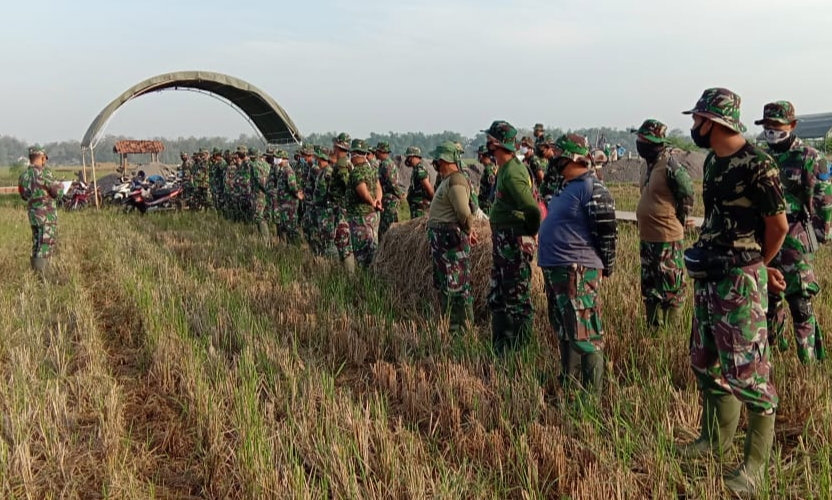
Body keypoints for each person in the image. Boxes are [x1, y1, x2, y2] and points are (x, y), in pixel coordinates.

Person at [677, 88, 788, 496]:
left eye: (697, 120)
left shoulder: (758, 165)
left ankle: (753, 467)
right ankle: (714, 440)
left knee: (748, 374)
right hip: (709, 276)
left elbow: (777, 226)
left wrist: (758, 263)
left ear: (714, 122)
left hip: (740, 281)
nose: (693, 127)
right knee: (705, 361)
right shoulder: (711, 162)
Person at [538, 134, 617, 396]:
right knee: (565, 329)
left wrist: (607, 267)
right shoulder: (566, 186)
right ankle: (568, 383)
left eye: (559, 152)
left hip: (576, 271)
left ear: (572, 156)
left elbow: (607, 232)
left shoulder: (592, 188)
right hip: (558, 270)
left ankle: (590, 398)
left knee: (586, 335)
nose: (554, 157)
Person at [756, 101, 827, 363]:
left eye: (777, 125)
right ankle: (776, 350)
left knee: (800, 302)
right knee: (768, 300)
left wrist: (818, 235)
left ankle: (809, 361)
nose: (772, 131)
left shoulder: (809, 157)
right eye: (767, 126)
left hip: (794, 238)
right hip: (764, 238)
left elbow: (823, 200)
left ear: (792, 126)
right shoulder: (760, 157)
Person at [483, 120, 542, 352]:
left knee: (517, 297)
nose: (486, 144)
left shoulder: (513, 173)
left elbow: (532, 209)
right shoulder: (505, 168)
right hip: (503, 240)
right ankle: (501, 345)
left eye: (489, 140)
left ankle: (521, 350)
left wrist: (529, 232)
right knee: (499, 294)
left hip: (513, 240)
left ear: (496, 144)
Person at [634, 119, 695, 329]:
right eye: (638, 139)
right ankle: (654, 330)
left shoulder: (671, 166)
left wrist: (681, 218)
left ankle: (671, 333)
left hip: (667, 239)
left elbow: (687, 193)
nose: (639, 143)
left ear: (656, 143)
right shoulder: (646, 166)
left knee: (672, 288)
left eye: (643, 139)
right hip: (647, 238)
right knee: (650, 288)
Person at [428, 141, 478, 334]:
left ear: (445, 160)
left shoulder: (456, 180)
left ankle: (462, 330)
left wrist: (469, 230)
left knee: (458, 286)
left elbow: (464, 213)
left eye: (437, 160)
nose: (435, 164)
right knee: (448, 285)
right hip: (443, 241)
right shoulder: (447, 180)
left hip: (451, 241)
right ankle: (452, 326)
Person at [18, 145, 62, 279]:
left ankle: (35, 276)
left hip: (33, 215)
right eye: (45, 159)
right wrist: (60, 186)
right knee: (45, 245)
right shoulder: (45, 174)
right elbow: (57, 193)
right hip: (46, 216)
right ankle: (43, 278)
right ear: (42, 158)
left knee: (37, 244)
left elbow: (24, 196)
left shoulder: (23, 176)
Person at [330, 133, 355, 272]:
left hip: (342, 209)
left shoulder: (341, 164)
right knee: (342, 241)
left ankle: (349, 276)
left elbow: (348, 186)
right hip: (342, 208)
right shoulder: (346, 163)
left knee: (343, 242)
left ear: (338, 147)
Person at [376, 141, 405, 241]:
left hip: (390, 199)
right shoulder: (383, 164)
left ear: (382, 152)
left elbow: (392, 183)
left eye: (378, 151)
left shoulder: (386, 165)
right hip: (387, 198)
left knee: (389, 224)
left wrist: (400, 195)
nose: (376, 153)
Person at [249, 147, 271, 238]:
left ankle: (265, 239)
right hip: (266, 194)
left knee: (259, 217)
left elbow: (260, 181)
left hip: (259, 194)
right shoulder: (266, 164)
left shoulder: (255, 165)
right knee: (264, 216)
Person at [406, 146, 433, 218]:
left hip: (420, 207)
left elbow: (428, 187)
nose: (407, 160)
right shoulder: (416, 169)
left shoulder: (420, 169)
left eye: (408, 157)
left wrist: (434, 200)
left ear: (412, 157)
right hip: (416, 206)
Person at [536, 135, 560, 203]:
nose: (541, 150)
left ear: (549, 148)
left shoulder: (555, 163)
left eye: (542, 148)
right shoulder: (550, 161)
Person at [477, 145, 497, 214]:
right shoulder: (492, 167)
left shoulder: (489, 169)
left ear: (482, 156)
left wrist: (488, 202)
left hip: (486, 204)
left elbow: (492, 187)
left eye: (479, 155)